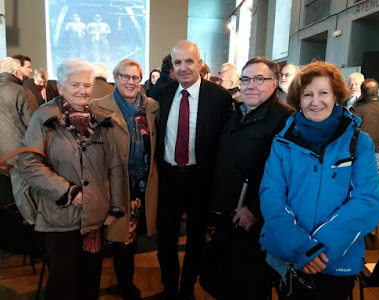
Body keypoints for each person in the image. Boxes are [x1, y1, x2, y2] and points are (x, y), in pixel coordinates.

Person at [259, 61, 379, 300]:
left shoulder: (359, 142)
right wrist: (300, 248)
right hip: (288, 258)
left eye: (323, 93)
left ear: (336, 95)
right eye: (307, 95)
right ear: (298, 99)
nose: (315, 101)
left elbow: (368, 201)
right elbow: (271, 195)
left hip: (336, 261)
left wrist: (316, 251)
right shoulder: (282, 142)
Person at [17, 58, 125, 300]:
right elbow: (28, 163)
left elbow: (115, 166)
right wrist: (69, 192)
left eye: (86, 85)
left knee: (90, 281)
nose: (82, 90)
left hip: (94, 218)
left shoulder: (101, 120)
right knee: (62, 283)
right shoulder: (44, 118)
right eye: (75, 84)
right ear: (61, 86)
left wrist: (115, 207)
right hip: (59, 218)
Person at [203, 57, 294, 300]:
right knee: (222, 280)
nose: (250, 85)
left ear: (274, 84)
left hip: (253, 220)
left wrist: (255, 209)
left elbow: (287, 175)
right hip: (228, 213)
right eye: (245, 79)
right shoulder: (238, 112)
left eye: (258, 79)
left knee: (247, 285)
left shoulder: (285, 119)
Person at [157, 40, 233, 300]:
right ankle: (169, 287)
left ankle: (187, 289)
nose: (184, 67)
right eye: (178, 63)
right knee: (165, 237)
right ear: (172, 67)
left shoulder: (219, 96)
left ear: (200, 64)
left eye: (189, 61)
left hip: (201, 179)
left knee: (196, 239)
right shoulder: (164, 94)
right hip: (168, 177)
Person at [91, 59, 159, 300]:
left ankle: (125, 284)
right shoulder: (98, 106)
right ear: (115, 78)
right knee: (115, 239)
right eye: (125, 76)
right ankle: (111, 286)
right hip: (113, 186)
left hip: (141, 187)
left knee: (130, 240)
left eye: (135, 78)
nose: (130, 82)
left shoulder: (150, 107)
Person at [0, 57, 37, 207]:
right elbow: (34, 126)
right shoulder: (22, 92)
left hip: (3, 156)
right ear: (16, 73)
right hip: (18, 156)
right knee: (27, 200)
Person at [351, 78, 379, 168]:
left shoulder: (357, 110)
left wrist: (358, 101)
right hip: (376, 153)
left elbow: (347, 132)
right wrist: (378, 147)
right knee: (369, 180)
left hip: (356, 152)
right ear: (378, 91)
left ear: (362, 93)